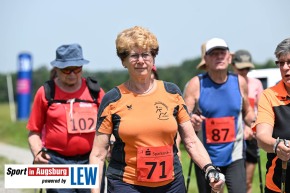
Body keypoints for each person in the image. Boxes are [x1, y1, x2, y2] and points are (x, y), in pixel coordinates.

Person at [89, 26, 225, 193]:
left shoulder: (172, 92)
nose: (141, 60)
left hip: (171, 184)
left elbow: (191, 141)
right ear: (123, 61)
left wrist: (209, 168)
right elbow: (98, 154)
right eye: (134, 55)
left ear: (153, 58)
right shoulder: (112, 99)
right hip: (126, 184)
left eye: (146, 54)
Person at [27, 43, 106, 193]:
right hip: (57, 162)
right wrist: (37, 152)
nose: (72, 74)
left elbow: (108, 127)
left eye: (77, 69)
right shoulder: (45, 92)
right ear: (56, 68)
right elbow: (34, 132)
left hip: (89, 160)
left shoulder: (95, 92)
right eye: (66, 69)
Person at [183, 37, 256, 193]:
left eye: (222, 53)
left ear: (229, 57)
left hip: (234, 155)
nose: (219, 57)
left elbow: (247, 111)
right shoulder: (195, 84)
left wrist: (254, 123)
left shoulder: (239, 82)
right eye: (214, 53)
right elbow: (184, 116)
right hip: (205, 158)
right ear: (206, 59)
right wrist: (192, 120)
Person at [254, 37, 290, 193]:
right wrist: (276, 145)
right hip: (278, 183)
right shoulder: (269, 96)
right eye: (281, 63)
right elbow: (262, 136)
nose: (285, 68)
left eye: (289, 62)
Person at [232, 49, 264, 193]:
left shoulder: (256, 84)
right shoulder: (228, 83)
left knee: (247, 182)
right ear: (233, 66)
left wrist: (253, 128)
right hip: (233, 137)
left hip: (251, 137)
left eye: (247, 68)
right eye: (241, 68)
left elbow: (261, 110)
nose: (244, 71)